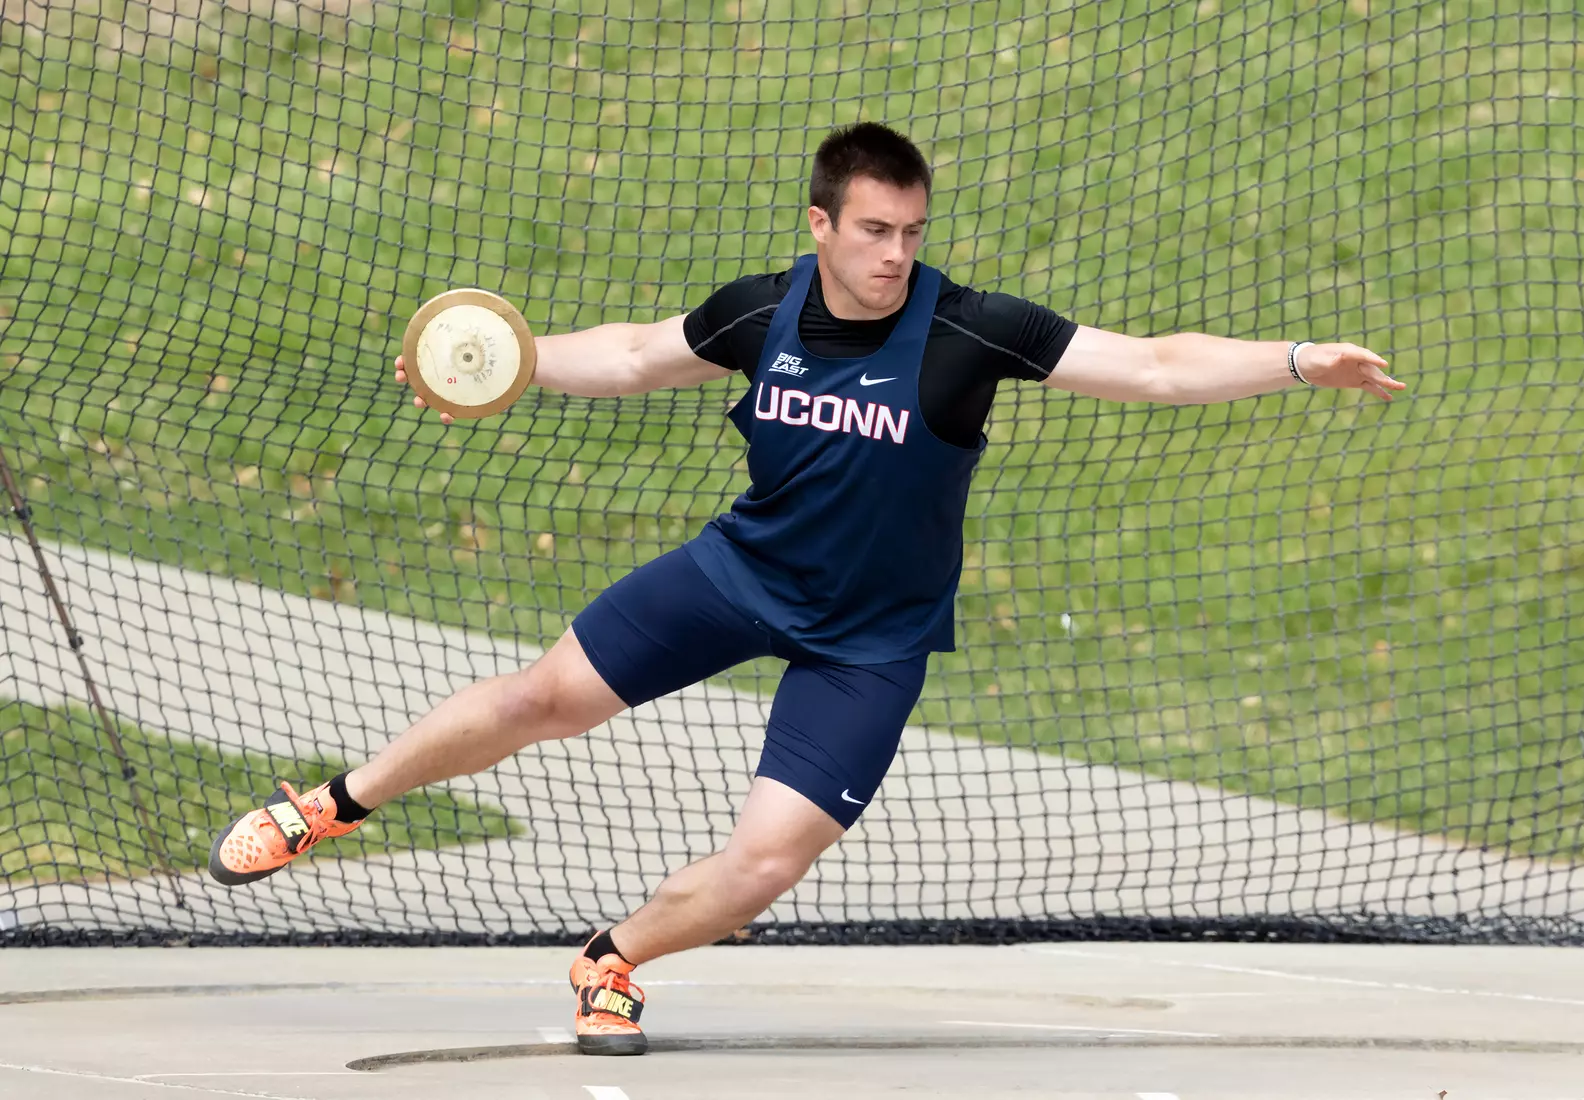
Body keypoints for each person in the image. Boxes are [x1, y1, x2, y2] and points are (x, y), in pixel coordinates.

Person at [206, 121, 1404, 1055]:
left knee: (769, 862)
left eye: (912, 232)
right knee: (540, 698)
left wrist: (1299, 361)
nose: (896, 253)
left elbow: (1150, 364)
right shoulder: (759, 310)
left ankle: (611, 960)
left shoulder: (968, 331)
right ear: (821, 223)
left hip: (870, 638)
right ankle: (329, 804)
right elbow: (629, 351)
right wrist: (506, 364)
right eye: (875, 229)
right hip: (743, 571)